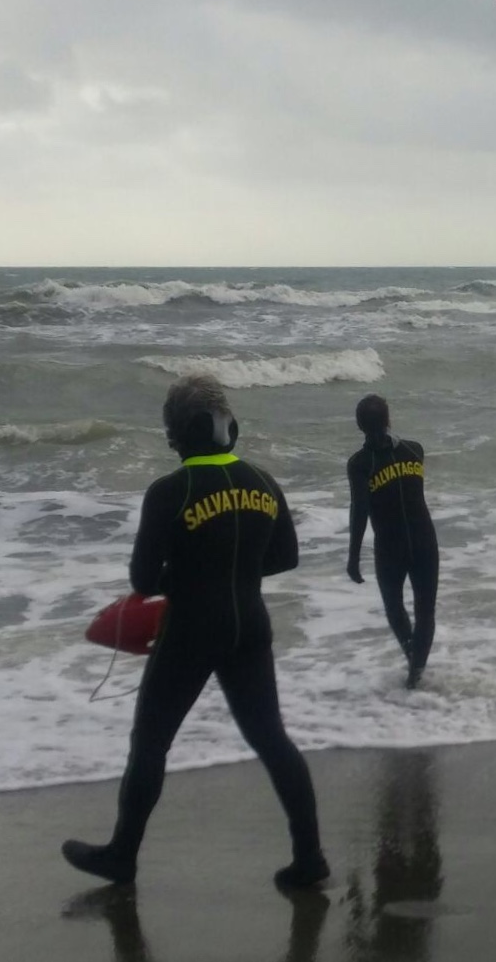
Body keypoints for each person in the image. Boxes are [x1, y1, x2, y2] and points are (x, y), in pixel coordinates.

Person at [62, 374, 328, 890]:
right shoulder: (264, 481)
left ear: (182, 433)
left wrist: (189, 577)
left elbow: (143, 580)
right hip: (250, 625)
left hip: (190, 629)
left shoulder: (169, 491)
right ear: (228, 427)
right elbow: (286, 557)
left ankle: (122, 856)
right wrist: (234, 573)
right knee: (272, 740)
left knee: (151, 743)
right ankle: (310, 856)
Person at [347, 394, 440, 688]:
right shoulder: (414, 451)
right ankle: (416, 671)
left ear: (359, 425)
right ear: (389, 419)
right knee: (426, 611)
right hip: (425, 540)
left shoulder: (360, 464)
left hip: (390, 546)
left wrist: (353, 557)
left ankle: (413, 660)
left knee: (394, 608)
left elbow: (360, 510)